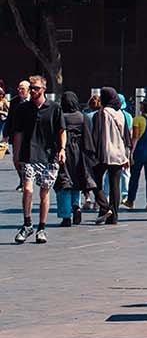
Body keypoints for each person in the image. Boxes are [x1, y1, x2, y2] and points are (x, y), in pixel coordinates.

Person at [9, 78, 64, 243]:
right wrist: (16, 155)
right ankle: (27, 224)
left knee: (44, 193)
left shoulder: (54, 108)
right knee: (27, 189)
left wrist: (62, 149)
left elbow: (62, 130)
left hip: (48, 156)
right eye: (30, 88)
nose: (32, 91)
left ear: (44, 89)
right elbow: (18, 133)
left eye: (35, 88)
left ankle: (42, 227)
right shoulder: (23, 109)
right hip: (28, 154)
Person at [90, 87, 132, 225]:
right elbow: (127, 136)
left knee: (93, 180)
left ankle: (104, 206)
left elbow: (96, 135)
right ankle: (113, 216)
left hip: (104, 153)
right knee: (115, 185)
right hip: (119, 153)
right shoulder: (121, 114)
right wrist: (127, 155)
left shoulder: (101, 113)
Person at [54, 92, 95, 227]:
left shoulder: (61, 117)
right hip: (79, 152)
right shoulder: (83, 117)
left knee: (63, 182)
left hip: (63, 151)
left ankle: (66, 215)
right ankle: (76, 205)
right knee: (76, 181)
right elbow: (89, 138)